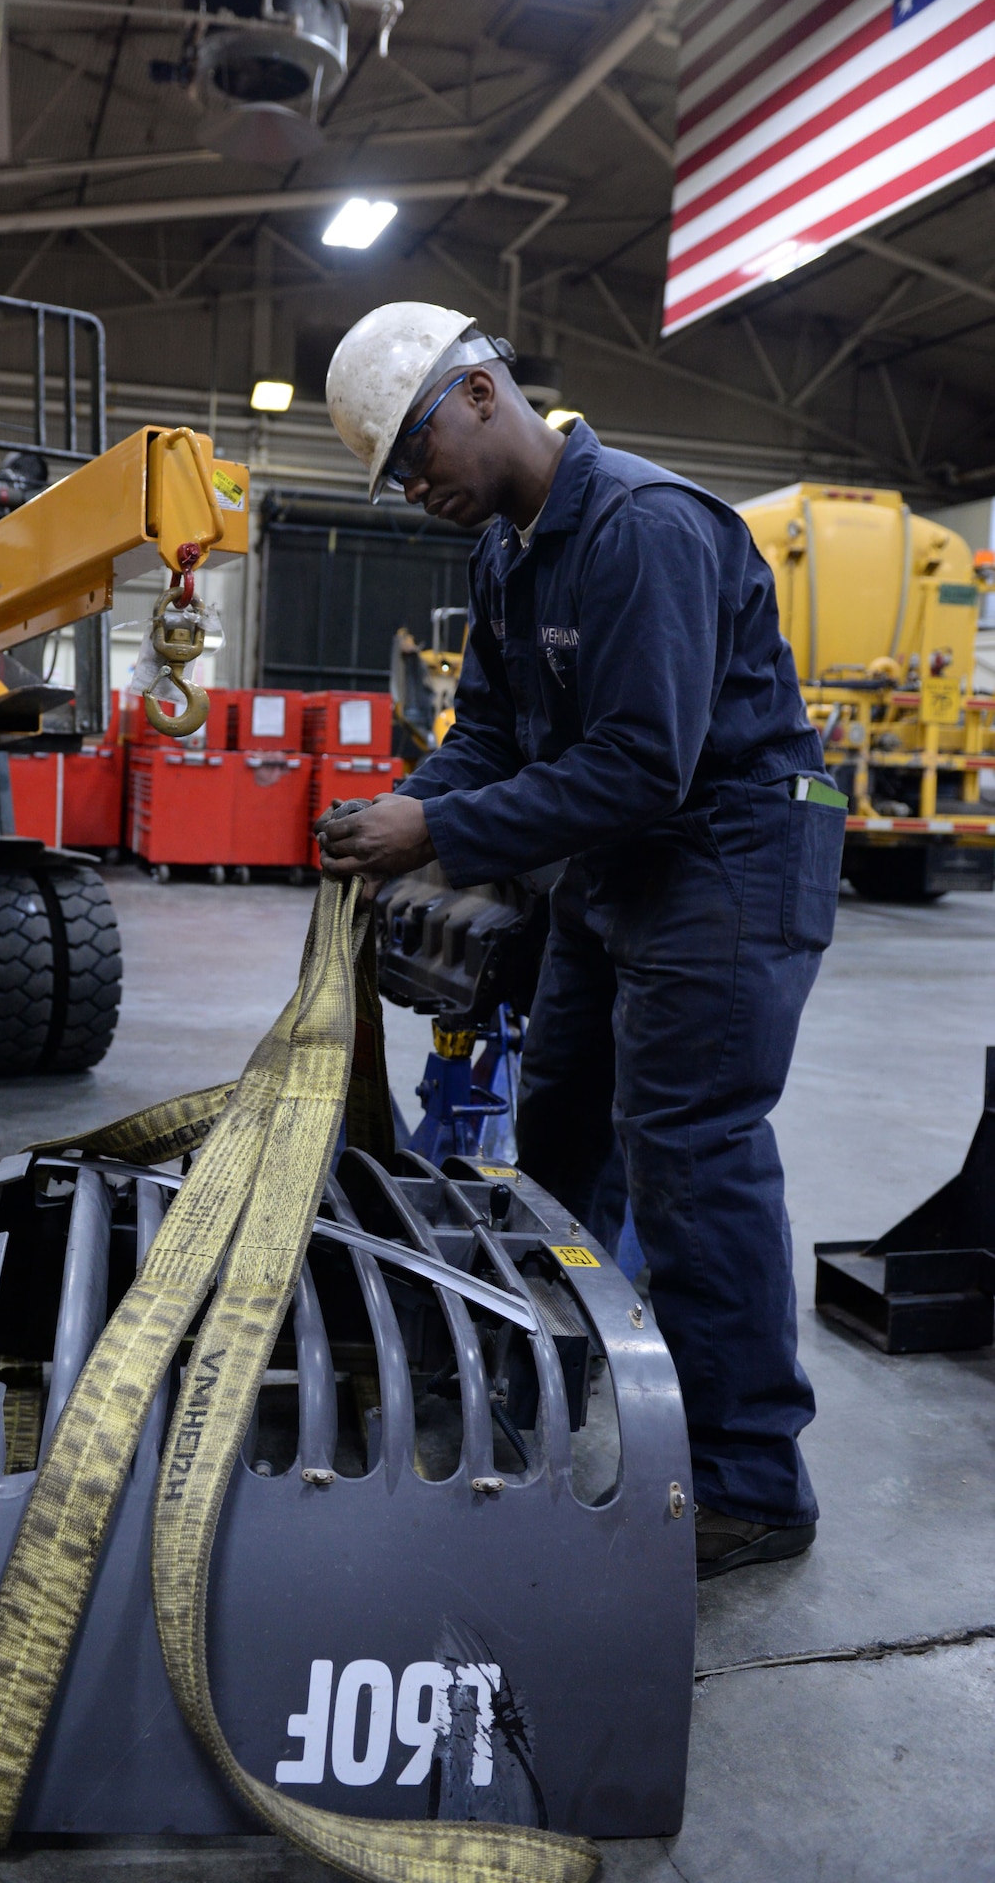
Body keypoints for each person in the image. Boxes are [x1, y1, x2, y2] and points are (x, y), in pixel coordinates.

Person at [317, 302, 845, 1580]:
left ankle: (749, 1480)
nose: (413, 485)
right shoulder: (511, 556)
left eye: (416, 447)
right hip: (621, 867)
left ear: (484, 391)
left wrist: (437, 833)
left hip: (725, 853)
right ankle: (544, 1369)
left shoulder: (643, 528)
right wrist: (414, 806)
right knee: (557, 1126)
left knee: (688, 1150)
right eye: (390, 474)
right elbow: (495, 734)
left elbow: (641, 764)